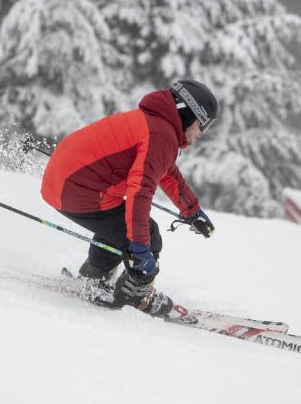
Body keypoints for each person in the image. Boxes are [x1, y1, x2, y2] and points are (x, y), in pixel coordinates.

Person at [40, 80, 218, 317]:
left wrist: (192, 211)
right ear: (187, 113)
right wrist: (142, 249)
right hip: (77, 189)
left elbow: (167, 173)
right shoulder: (161, 135)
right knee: (148, 236)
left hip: (63, 182)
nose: (201, 133)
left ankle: (93, 277)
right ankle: (135, 294)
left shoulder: (155, 126)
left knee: (121, 226)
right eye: (203, 124)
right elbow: (140, 193)